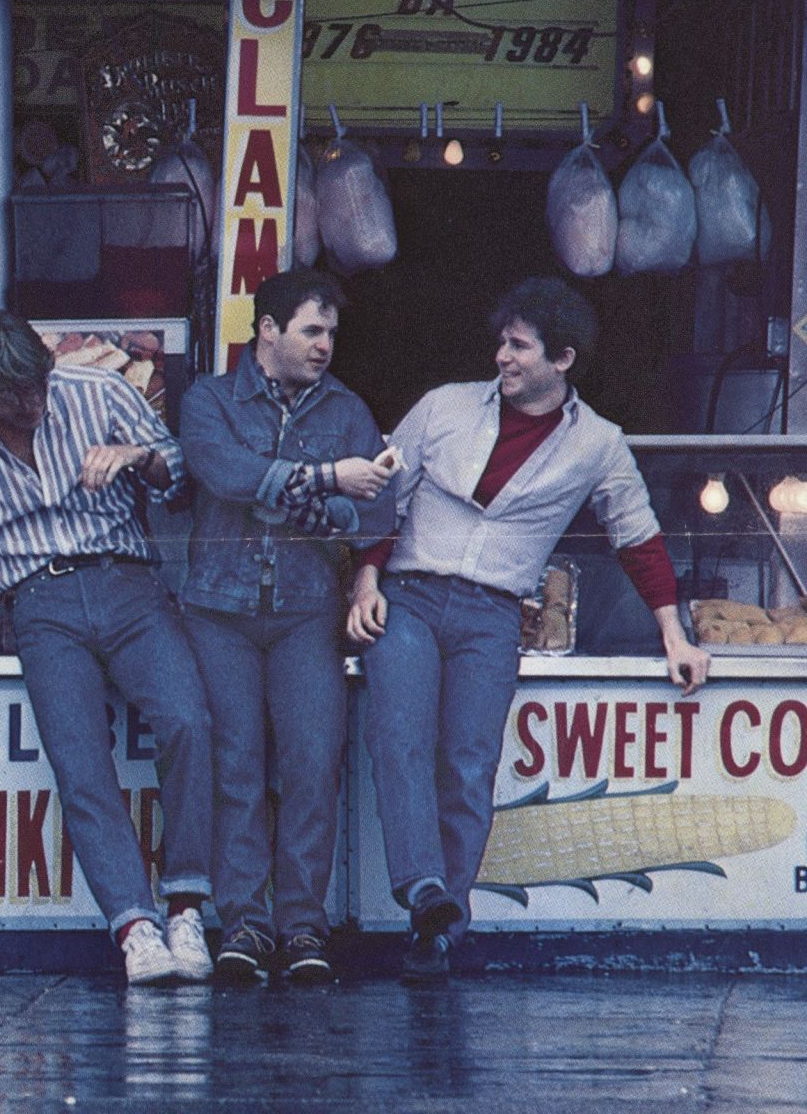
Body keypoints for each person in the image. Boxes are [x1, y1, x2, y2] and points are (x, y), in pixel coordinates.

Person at [347, 277, 710, 983]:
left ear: (563, 359)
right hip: (409, 597)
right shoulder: (443, 406)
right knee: (398, 735)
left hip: (492, 614)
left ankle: (437, 930)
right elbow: (384, 499)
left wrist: (674, 632)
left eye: (519, 346)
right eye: (502, 343)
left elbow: (637, 537)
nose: (502, 357)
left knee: (470, 762)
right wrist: (365, 580)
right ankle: (427, 890)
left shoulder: (599, 443)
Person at [0, 309, 215, 986]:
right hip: (39, 603)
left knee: (188, 720)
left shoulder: (99, 391)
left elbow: (181, 477)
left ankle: (186, 905)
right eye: (14, 395)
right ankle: (134, 925)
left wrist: (139, 457)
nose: (33, 403)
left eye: (38, 385)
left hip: (127, 582)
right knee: (79, 762)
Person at [176, 270, 395, 986]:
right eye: (311, 329)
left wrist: (309, 502)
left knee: (311, 762)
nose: (326, 345)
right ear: (266, 329)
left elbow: (374, 516)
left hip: (307, 610)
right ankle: (243, 922)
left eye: (331, 332)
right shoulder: (209, 399)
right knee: (234, 763)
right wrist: (327, 480)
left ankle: (303, 925)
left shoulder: (349, 407)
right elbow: (224, 474)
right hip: (219, 609)